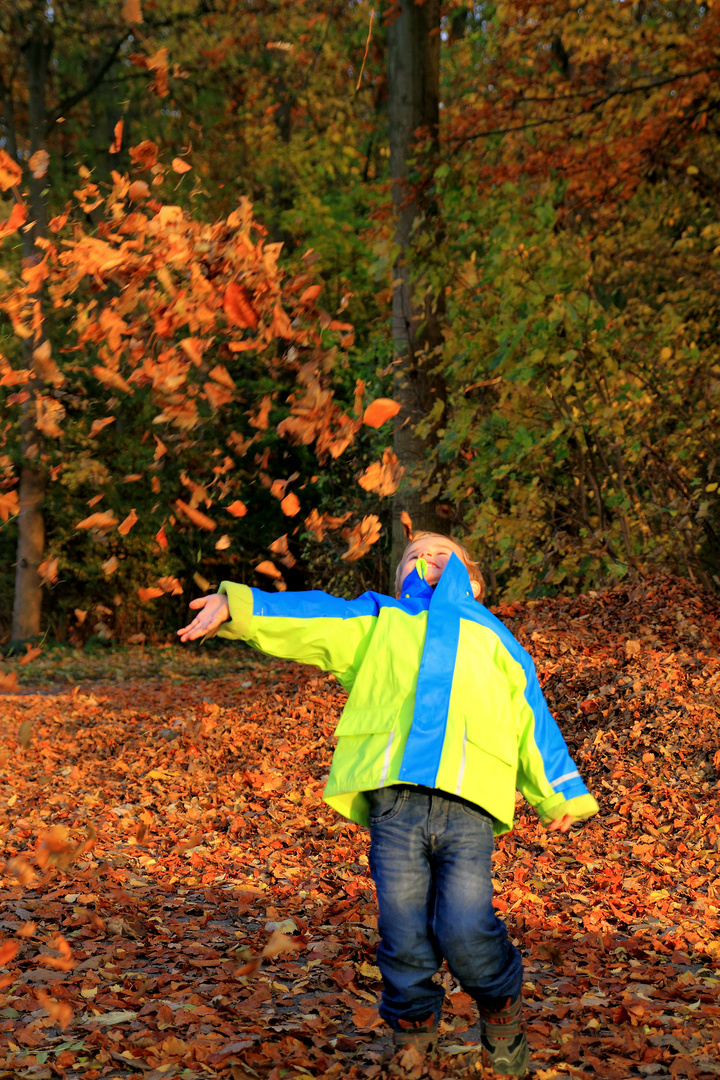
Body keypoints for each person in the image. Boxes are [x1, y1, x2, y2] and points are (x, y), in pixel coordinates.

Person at [178, 532, 599, 1077]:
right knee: (402, 934)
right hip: (395, 803)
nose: (425, 558)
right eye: (413, 555)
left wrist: (558, 791)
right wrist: (240, 605)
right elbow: (314, 617)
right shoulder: (378, 622)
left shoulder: (497, 639)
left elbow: (530, 716)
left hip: (468, 804)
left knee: (465, 928)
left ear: (473, 577)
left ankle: (500, 1005)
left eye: (441, 552)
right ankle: (414, 1032)